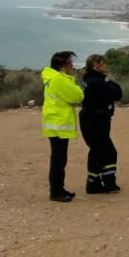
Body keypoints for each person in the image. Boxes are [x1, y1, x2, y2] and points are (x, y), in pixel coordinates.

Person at [41, 51, 84, 202]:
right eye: (69, 63)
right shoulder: (59, 79)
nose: (72, 65)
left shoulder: (53, 77)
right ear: (62, 65)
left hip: (55, 123)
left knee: (59, 159)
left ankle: (59, 188)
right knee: (59, 160)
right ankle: (56, 192)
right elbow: (77, 96)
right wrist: (78, 89)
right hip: (59, 124)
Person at [80, 54, 123, 194]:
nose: (106, 66)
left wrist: (106, 80)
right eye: (103, 64)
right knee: (107, 151)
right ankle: (104, 183)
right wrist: (108, 80)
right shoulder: (96, 82)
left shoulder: (92, 79)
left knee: (98, 150)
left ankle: (95, 182)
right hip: (95, 120)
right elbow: (117, 93)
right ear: (96, 66)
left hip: (95, 119)